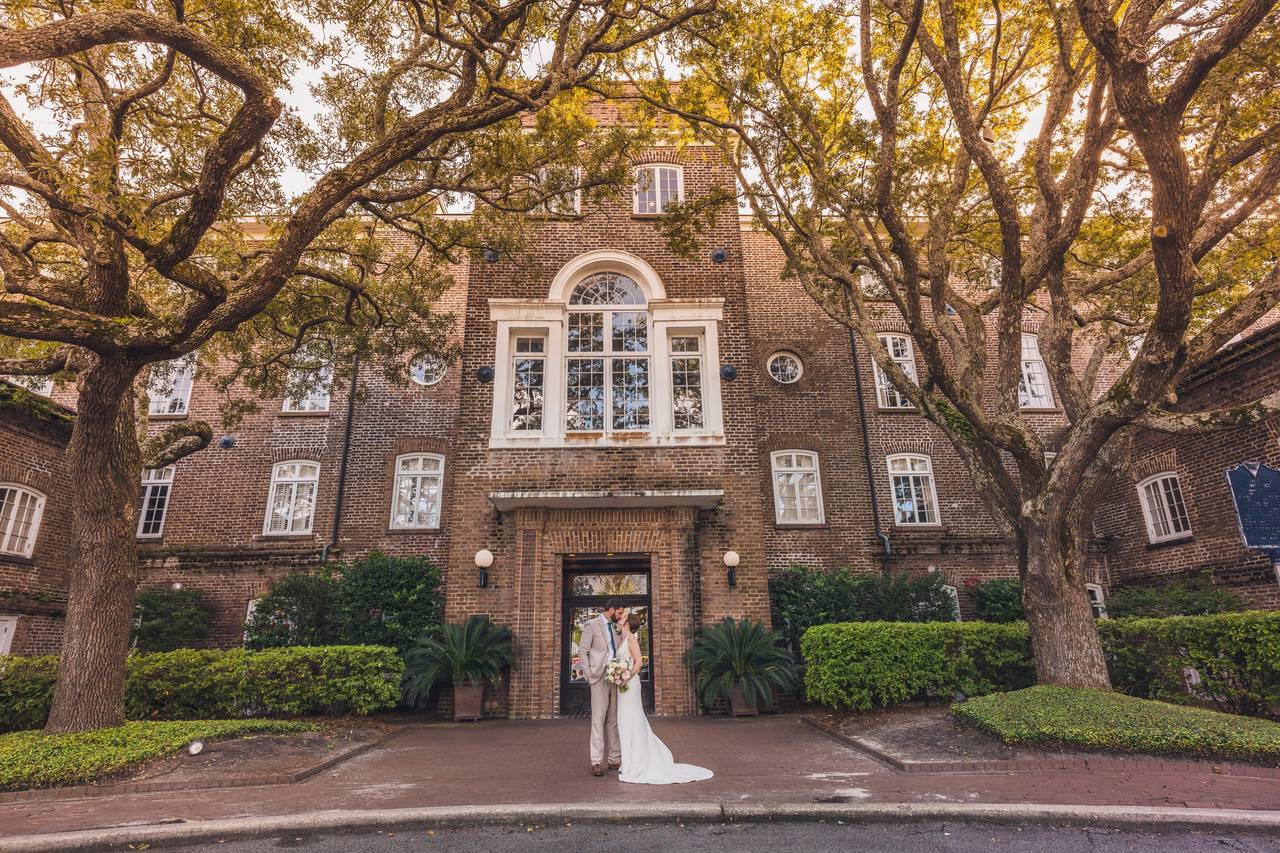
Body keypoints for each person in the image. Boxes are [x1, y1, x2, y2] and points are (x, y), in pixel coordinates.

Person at [613, 609, 714, 785]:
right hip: (624, 685)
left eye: (623, 617)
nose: (619, 618)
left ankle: (636, 764)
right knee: (625, 722)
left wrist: (627, 676)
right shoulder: (624, 638)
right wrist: (617, 675)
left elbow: (639, 661)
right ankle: (629, 762)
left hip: (630, 685)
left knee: (631, 720)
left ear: (628, 623)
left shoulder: (631, 639)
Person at [579, 598, 622, 776]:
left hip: (616, 676)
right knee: (598, 719)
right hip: (599, 676)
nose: (620, 615)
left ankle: (614, 759)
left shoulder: (614, 627)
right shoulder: (592, 624)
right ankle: (596, 761)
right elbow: (583, 651)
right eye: (618, 612)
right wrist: (589, 676)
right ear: (611, 610)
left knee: (614, 719)